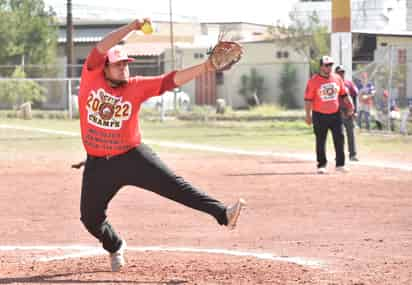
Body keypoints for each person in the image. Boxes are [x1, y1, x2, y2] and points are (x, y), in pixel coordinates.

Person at [77, 19, 246, 272]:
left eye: (127, 64)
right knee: (90, 219)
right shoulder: (91, 77)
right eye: (119, 64)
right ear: (104, 68)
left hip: (132, 156)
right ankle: (115, 246)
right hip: (99, 163)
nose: (125, 68)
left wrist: (206, 66)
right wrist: (131, 27)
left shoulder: (135, 87)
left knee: (175, 186)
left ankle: (223, 213)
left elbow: (170, 80)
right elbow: (102, 46)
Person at [304, 56, 354, 174]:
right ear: (321, 66)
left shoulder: (337, 78)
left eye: (331, 65)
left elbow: (344, 94)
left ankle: (340, 164)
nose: (329, 67)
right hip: (319, 115)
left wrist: (350, 105)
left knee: (339, 138)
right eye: (326, 65)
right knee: (321, 140)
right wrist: (308, 115)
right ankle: (321, 165)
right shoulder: (313, 81)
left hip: (335, 114)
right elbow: (308, 99)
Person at [335, 65, 359, 161]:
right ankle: (339, 155)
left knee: (350, 133)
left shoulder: (348, 83)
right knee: (339, 135)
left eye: (342, 72)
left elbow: (354, 96)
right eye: (339, 72)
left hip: (348, 111)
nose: (341, 74)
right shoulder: (333, 83)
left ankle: (352, 155)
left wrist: (354, 111)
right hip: (337, 111)